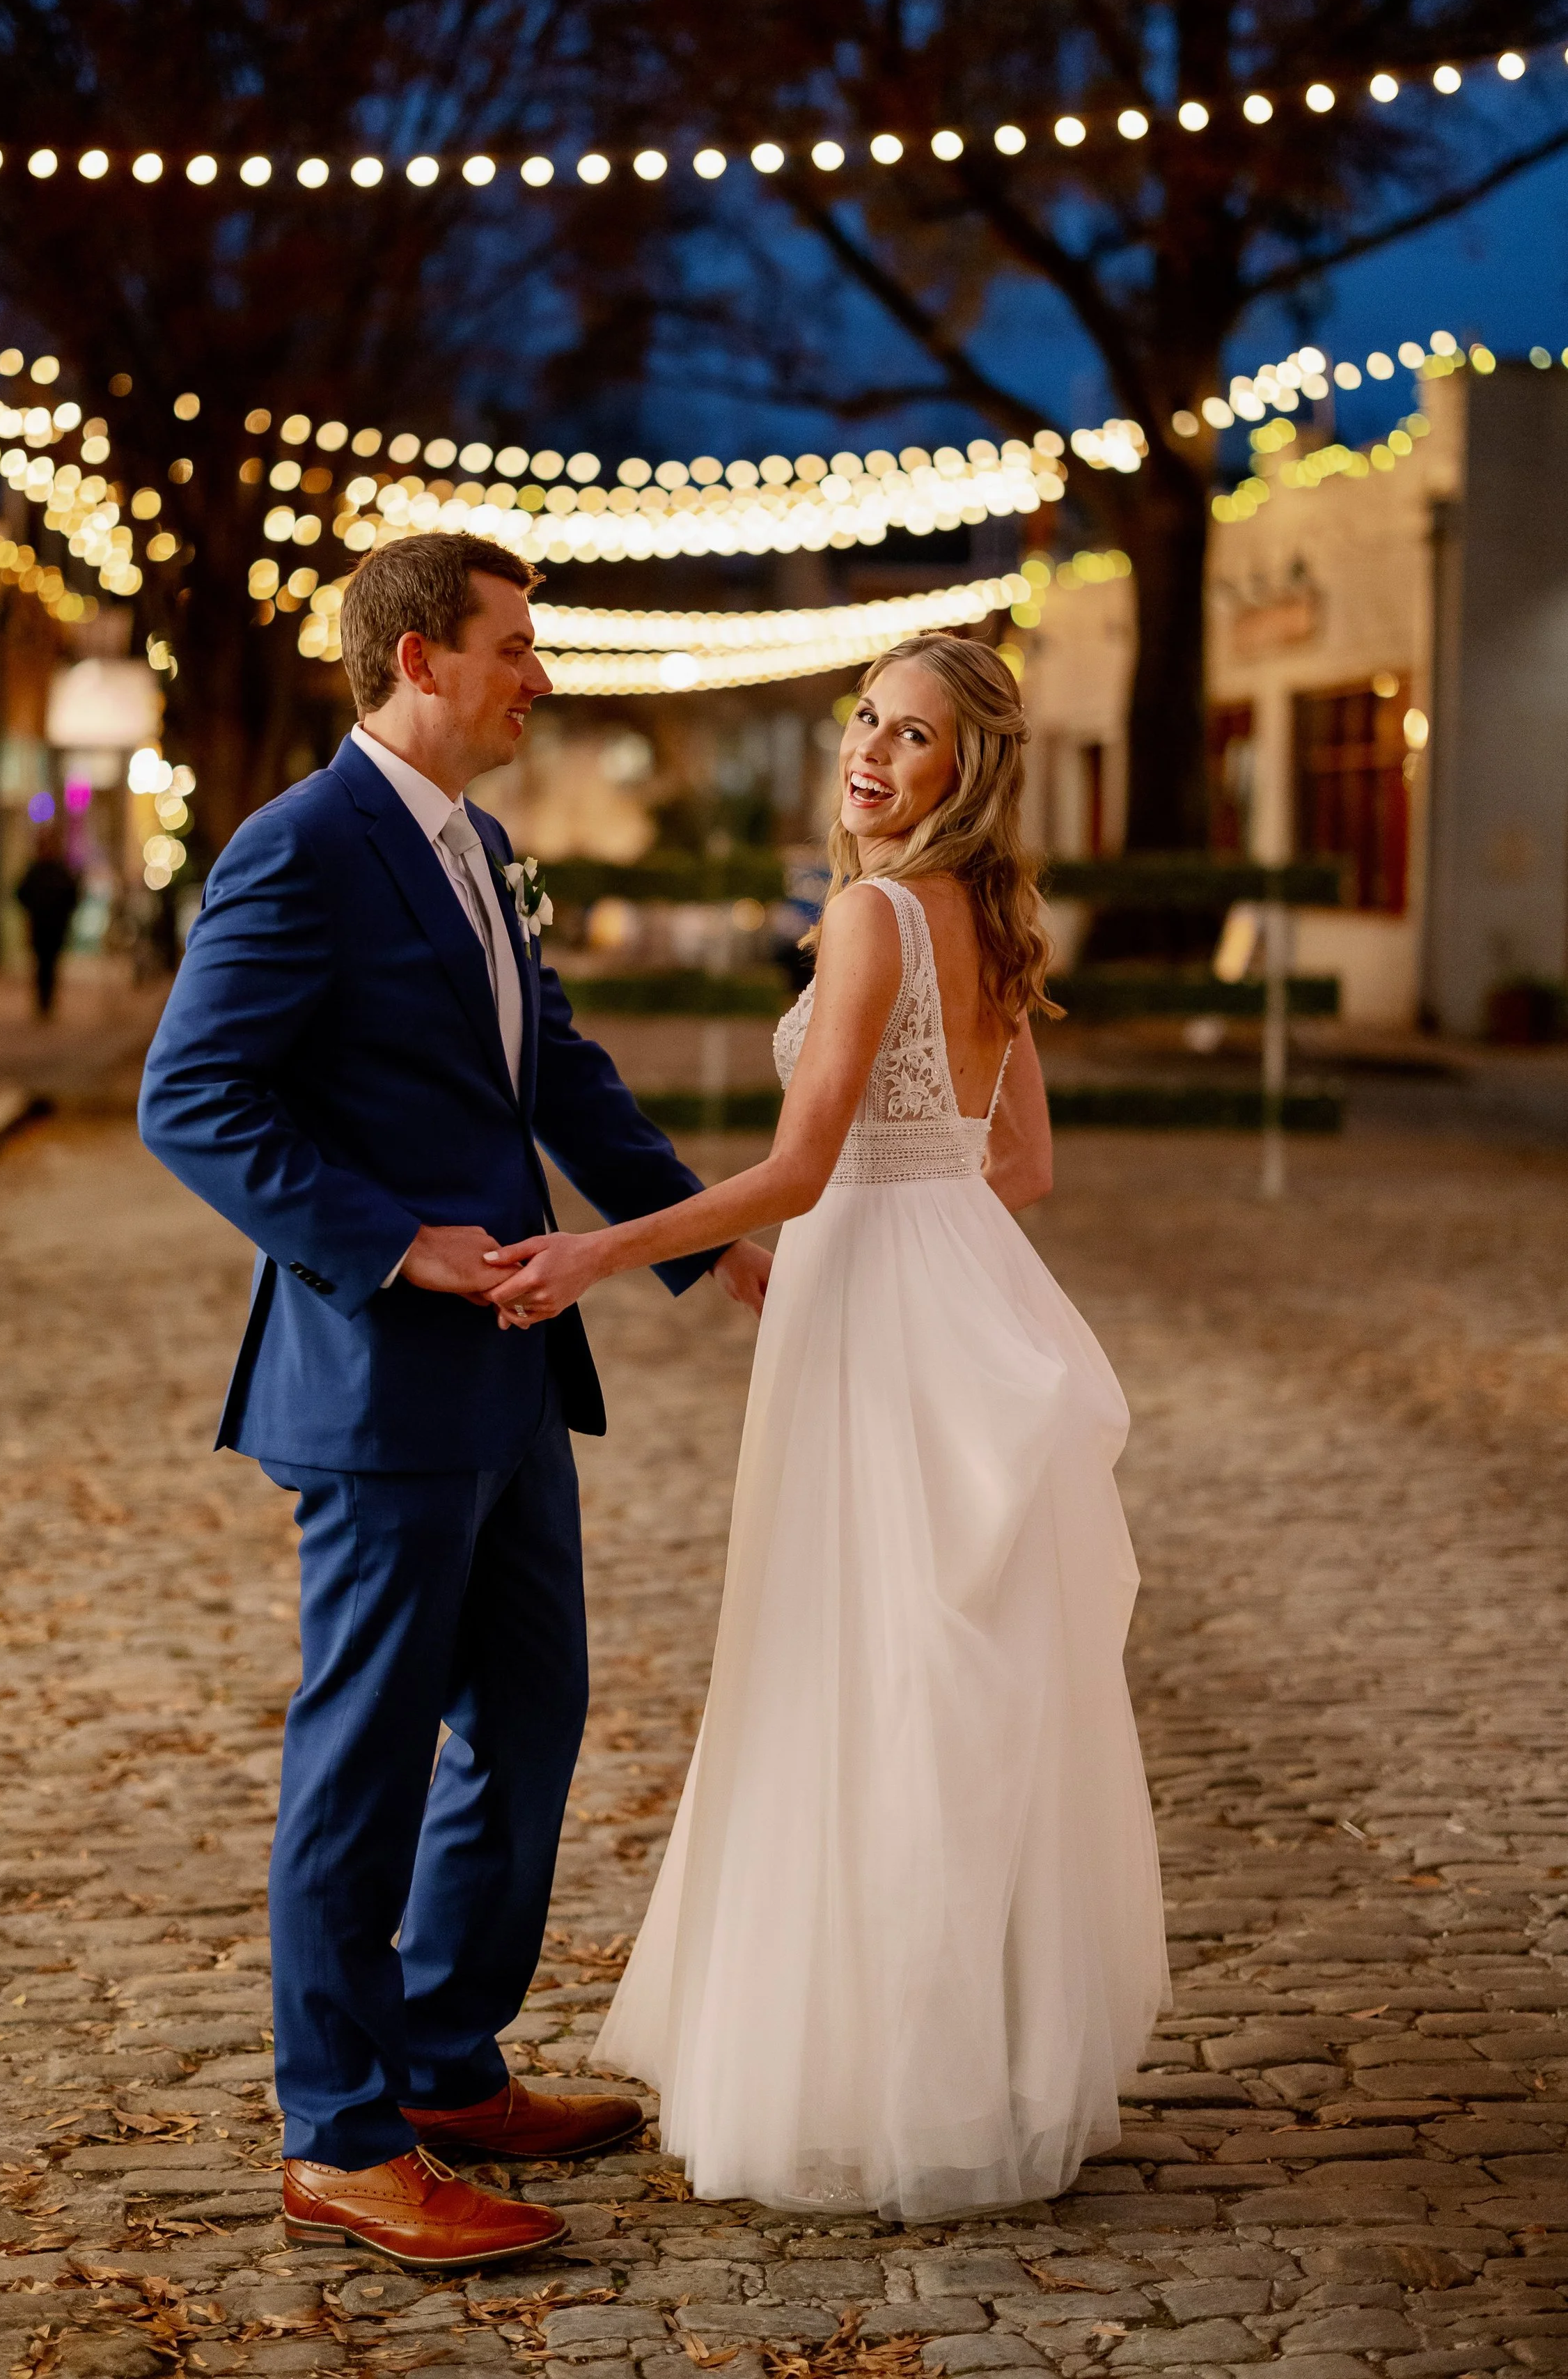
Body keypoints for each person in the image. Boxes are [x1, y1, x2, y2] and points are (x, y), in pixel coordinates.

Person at [137, 532, 770, 2274]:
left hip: (511, 1374)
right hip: (377, 1382)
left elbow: (552, 1066)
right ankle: (339, 2134)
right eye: (515, 646)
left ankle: (441, 2055)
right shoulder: (299, 850)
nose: (536, 676)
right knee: (364, 1755)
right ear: (420, 659)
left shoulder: (481, 847)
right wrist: (390, 1244)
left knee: (535, 1717)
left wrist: (697, 1243)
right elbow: (191, 1097)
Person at [485, 631, 1170, 2222]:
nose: (870, 752)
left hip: (870, 1307)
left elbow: (799, 1169)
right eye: (866, 719)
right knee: (947, 1671)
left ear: (965, 772)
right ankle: (978, 2056)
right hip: (957, 1287)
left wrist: (605, 1243)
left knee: (854, 1661)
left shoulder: (872, 915)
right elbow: (1022, 1168)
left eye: (913, 737)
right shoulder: (991, 920)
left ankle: (866, 2073)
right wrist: (917, 1225)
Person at [15, 827, 82, 1017]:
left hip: (53, 926)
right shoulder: (38, 870)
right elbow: (22, 894)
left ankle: (47, 1002)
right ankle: (43, 1002)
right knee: (43, 965)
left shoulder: (57, 871)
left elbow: (72, 896)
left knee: (49, 965)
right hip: (42, 926)